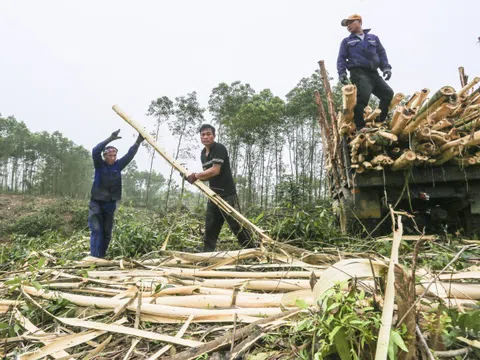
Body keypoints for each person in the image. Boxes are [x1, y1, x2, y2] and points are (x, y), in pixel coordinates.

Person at [185, 124, 253, 252]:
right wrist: (190, 177)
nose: (205, 137)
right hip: (213, 195)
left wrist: (196, 176)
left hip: (227, 194)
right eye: (203, 135)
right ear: (200, 137)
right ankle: (207, 254)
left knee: (236, 225)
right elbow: (207, 176)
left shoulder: (219, 148)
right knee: (210, 225)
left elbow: (215, 170)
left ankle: (252, 250)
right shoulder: (202, 154)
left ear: (214, 136)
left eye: (208, 134)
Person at [89, 129, 144, 258]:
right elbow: (95, 150)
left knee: (107, 232)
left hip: (110, 203)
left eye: (114, 156)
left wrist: (138, 141)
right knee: (96, 230)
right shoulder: (99, 164)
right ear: (104, 156)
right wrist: (110, 139)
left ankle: (101, 256)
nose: (113, 158)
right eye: (110, 155)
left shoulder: (118, 166)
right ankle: (94, 257)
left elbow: (130, 155)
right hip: (96, 202)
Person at [337, 14, 394, 132]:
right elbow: (341, 58)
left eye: (350, 23)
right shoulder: (347, 41)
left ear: (359, 22)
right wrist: (342, 73)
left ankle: (379, 121)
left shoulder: (373, 38)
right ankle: (360, 127)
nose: (348, 26)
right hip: (358, 72)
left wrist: (386, 68)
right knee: (362, 98)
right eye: (346, 25)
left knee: (387, 93)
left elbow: (382, 54)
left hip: (373, 73)